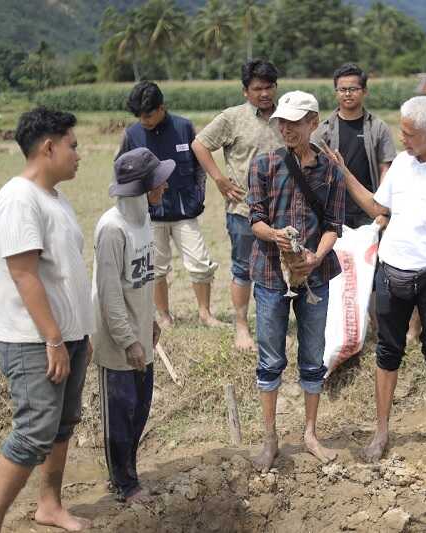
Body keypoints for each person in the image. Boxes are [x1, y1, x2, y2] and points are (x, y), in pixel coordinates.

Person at [325, 96, 426, 464]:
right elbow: (379, 208)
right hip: (392, 273)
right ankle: (382, 431)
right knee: (388, 352)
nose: (402, 139)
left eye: (409, 134)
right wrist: (344, 173)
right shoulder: (404, 166)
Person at [0, 107, 94, 532]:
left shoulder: (55, 198)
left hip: (68, 335)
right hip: (35, 340)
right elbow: (24, 274)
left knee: (61, 425)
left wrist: (74, 333)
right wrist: (52, 338)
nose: (78, 155)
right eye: (73, 145)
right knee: (33, 431)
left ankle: (49, 505)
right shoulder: (17, 199)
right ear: (49, 147)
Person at [246, 91, 345, 473]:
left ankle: (310, 434)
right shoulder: (264, 165)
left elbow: (334, 226)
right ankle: (270, 438)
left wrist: (314, 258)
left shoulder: (330, 171)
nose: (286, 128)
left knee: (312, 356)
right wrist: (279, 239)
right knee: (270, 358)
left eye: (295, 122)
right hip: (272, 273)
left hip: (315, 275)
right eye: (282, 122)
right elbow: (254, 219)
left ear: (313, 123)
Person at [92, 148, 173, 503]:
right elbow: (109, 294)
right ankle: (123, 484)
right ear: (144, 188)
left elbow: (142, 280)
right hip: (117, 341)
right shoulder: (112, 229)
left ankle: (129, 474)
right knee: (119, 415)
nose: (164, 187)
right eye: (159, 183)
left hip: (141, 333)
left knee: (140, 409)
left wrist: (151, 322)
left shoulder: (144, 222)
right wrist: (128, 341)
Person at [192, 60, 284, 351]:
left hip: (283, 210)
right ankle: (242, 327)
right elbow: (200, 144)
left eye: (269, 87)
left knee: (282, 269)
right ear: (246, 91)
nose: (265, 93)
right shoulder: (232, 118)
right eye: (258, 88)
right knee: (243, 269)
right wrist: (219, 179)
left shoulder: (288, 116)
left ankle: (275, 324)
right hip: (244, 209)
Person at [118, 81, 220, 329]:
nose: (145, 120)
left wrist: (198, 198)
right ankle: (164, 315)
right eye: (140, 116)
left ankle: (205, 314)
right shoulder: (132, 135)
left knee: (199, 262)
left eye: (149, 115)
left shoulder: (184, 127)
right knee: (156, 267)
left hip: (185, 211)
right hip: (151, 216)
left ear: (162, 107)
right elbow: (123, 173)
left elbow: (198, 168)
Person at [312, 63, 397, 228]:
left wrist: (383, 210)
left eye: (353, 89)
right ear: (336, 92)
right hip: (334, 210)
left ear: (364, 91)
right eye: (342, 89)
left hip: (368, 211)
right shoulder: (323, 130)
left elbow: (385, 169)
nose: (347, 94)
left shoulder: (378, 128)